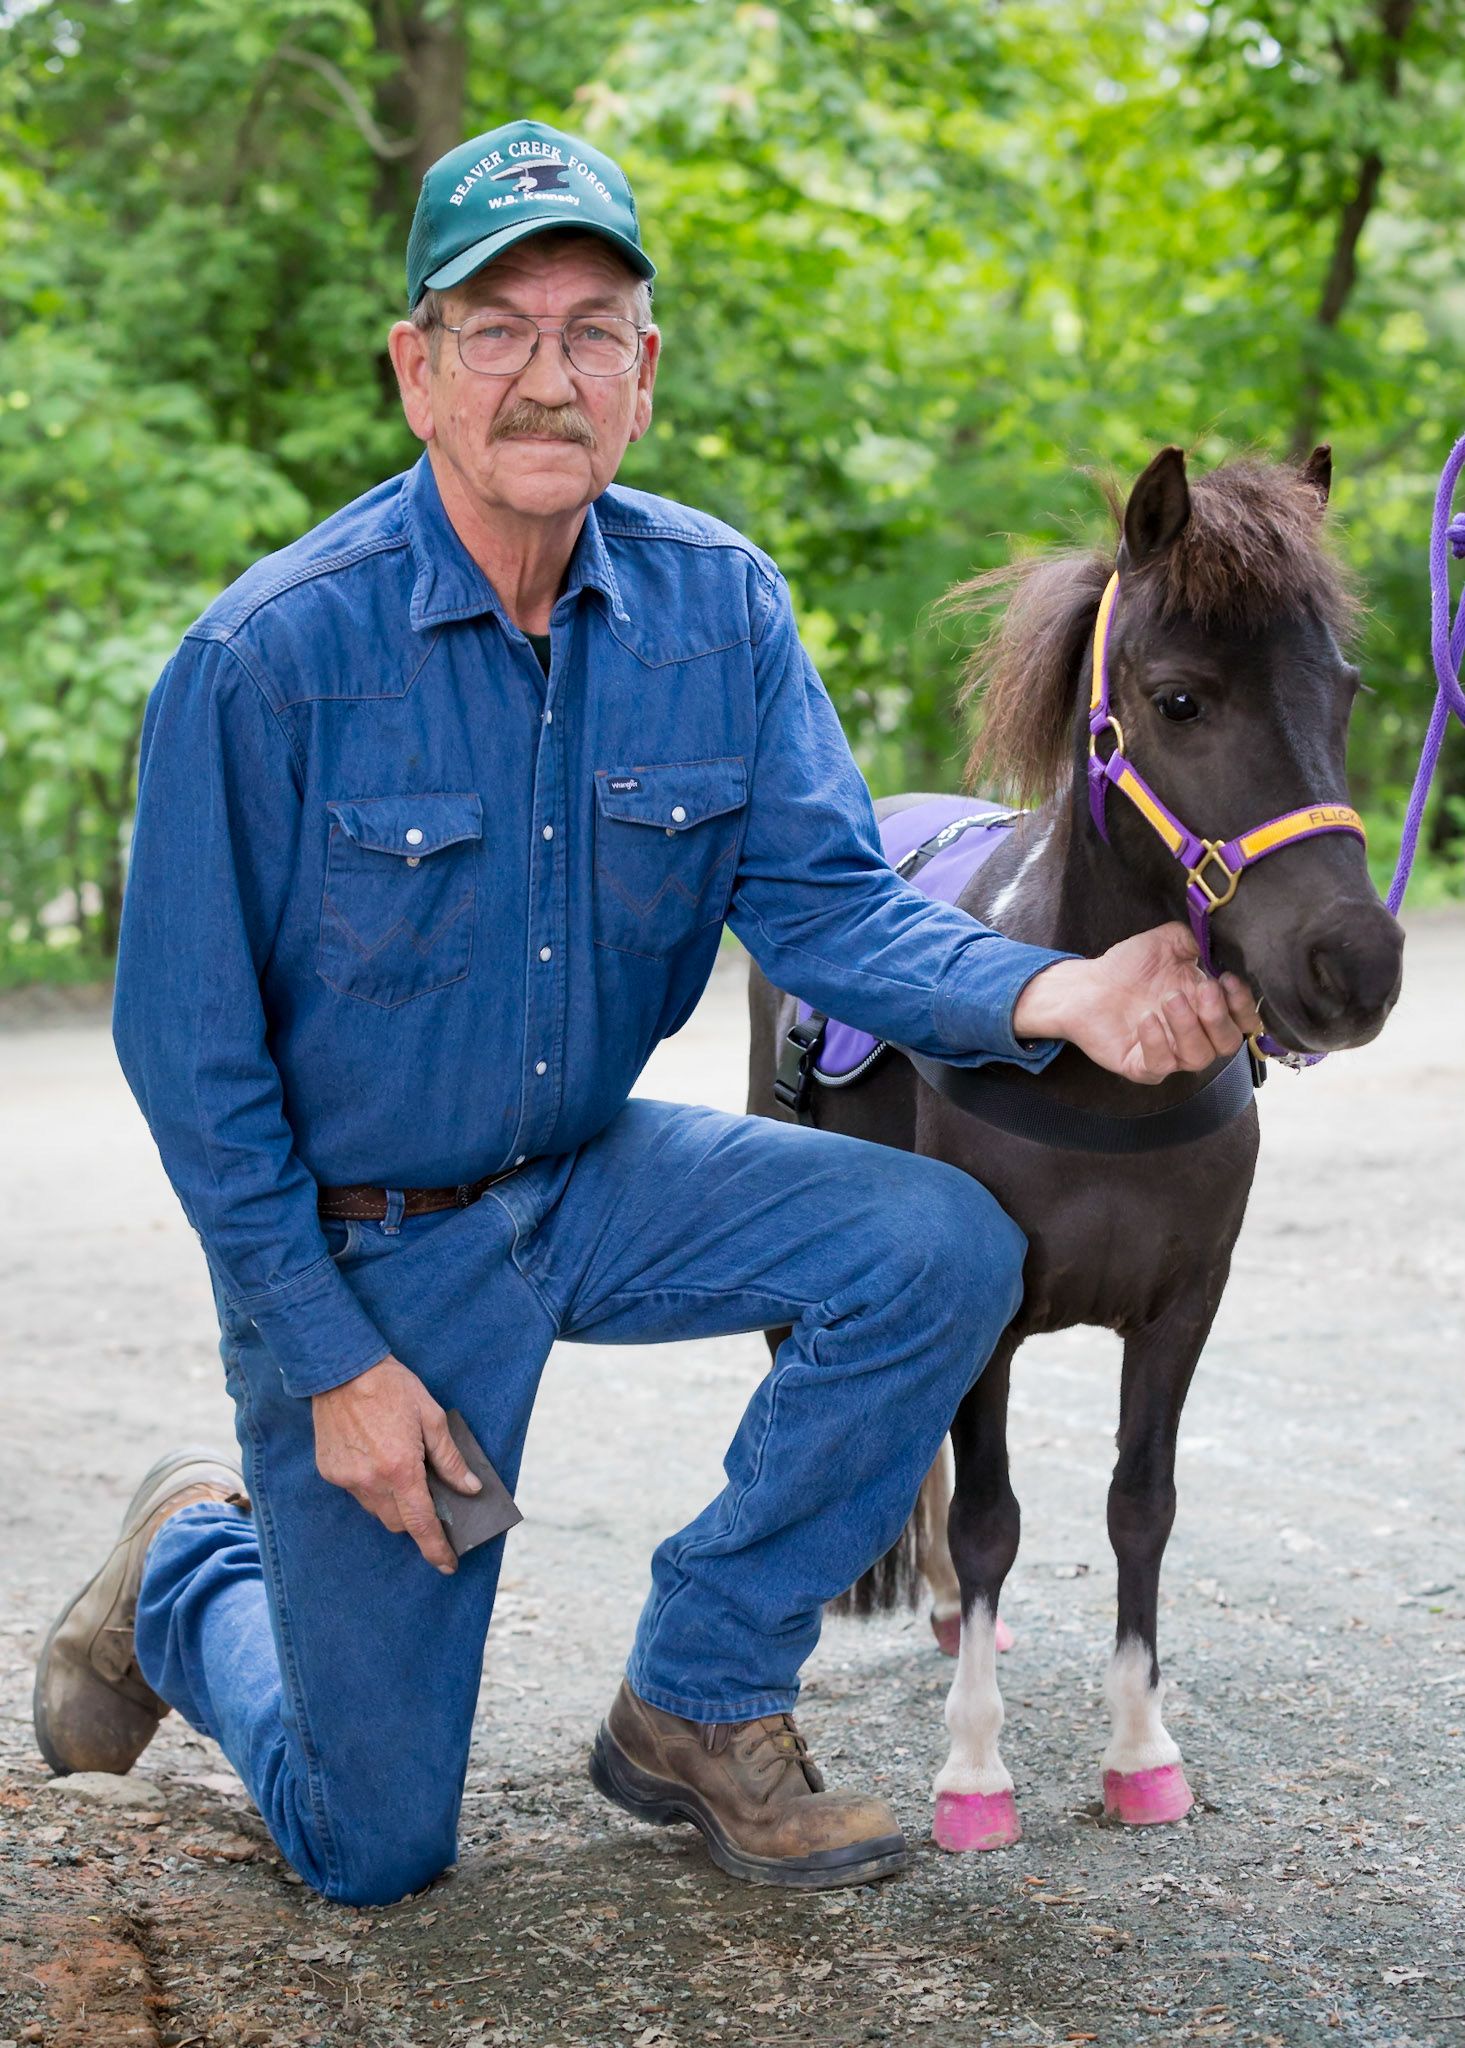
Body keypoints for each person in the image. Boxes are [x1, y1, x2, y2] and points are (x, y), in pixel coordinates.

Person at [34, 120, 1261, 1906]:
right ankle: (185, 1575)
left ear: (644, 371)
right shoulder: (267, 660)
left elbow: (828, 908)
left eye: (591, 327)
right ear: (415, 370)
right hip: (375, 1261)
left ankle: (697, 1692)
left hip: (590, 1175)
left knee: (934, 1244)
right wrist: (330, 1362)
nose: (548, 375)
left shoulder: (718, 609)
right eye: (497, 327)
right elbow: (191, 1061)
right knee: (370, 1846)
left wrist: (1065, 988)